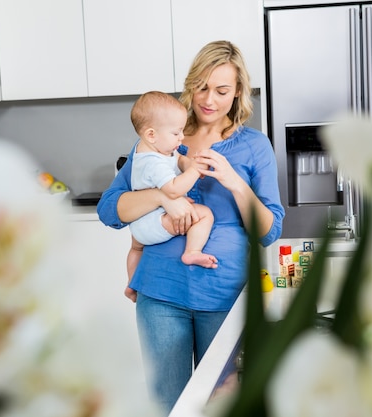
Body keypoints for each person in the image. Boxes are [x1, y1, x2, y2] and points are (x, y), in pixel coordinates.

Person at [97, 40, 284, 415]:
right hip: (161, 295)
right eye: (201, 87)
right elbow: (109, 209)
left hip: (225, 295)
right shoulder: (163, 136)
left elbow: (269, 230)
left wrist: (234, 181)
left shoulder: (254, 146)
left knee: (225, 405)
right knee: (169, 405)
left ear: (238, 93)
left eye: (221, 90)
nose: (209, 99)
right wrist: (162, 197)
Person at [125, 91, 218, 302]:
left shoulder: (155, 150)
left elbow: (178, 160)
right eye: (176, 133)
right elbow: (174, 189)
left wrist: (190, 164)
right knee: (204, 214)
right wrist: (195, 172)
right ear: (151, 134)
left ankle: (132, 284)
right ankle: (192, 251)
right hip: (154, 220)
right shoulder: (153, 163)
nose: (181, 138)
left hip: (140, 222)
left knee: (135, 249)